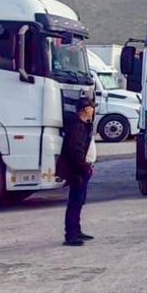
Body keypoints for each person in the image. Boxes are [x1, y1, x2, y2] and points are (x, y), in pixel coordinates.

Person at [58, 98, 96, 246]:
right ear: (86, 110)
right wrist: (84, 168)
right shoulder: (77, 127)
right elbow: (75, 152)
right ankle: (71, 235)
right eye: (92, 108)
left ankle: (77, 230)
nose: (93, 111)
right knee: (74, 203)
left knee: (79, 202)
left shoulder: (83, 126)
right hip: (77, 171)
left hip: (82, 169)